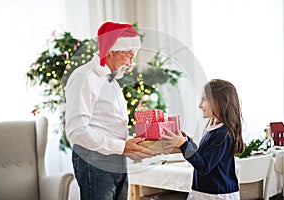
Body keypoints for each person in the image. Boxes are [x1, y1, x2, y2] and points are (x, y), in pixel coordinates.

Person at [65, 21, 155, 200]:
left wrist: (130, 144)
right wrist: (122, 146)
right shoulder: (84, 77)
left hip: (116, 158)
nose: (130, 63)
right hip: (94, 160)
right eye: (129, 56)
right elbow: (77, 131)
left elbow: (106, 125)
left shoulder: (111, 81)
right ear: (113, 51)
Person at [162, 79, 245, 200]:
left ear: (219, 102)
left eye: (204, 99)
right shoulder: (214, 129)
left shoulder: (222, 134)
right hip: (207, 193)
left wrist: (183, 144)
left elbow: (204, 166)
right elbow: (203, 157)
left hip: (217, 196)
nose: (200, 105)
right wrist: (187, 141)